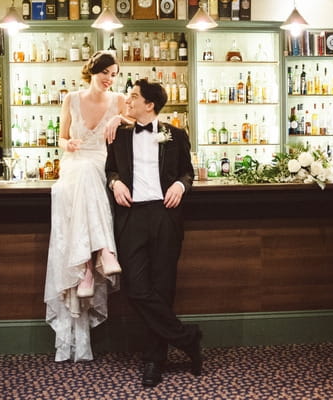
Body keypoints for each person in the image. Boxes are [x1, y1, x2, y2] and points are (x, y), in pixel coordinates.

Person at [105, 79, 202, 387]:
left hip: (165, 215)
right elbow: (110, 169)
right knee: (135, 287)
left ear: (150, 105)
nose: (127, 100)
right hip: (132, 216)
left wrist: (180, 185)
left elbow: (189, 172)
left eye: (133, 96)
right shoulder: (118, 136)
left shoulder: (176, 134)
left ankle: (154, 360)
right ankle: (187, 338)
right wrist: (115, 182)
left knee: (162, 288)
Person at [44, 51, 126, 362]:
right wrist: (69, 144)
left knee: (91, 175)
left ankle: (88, 270)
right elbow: (61, 138)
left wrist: (120, 117)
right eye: (106, 72)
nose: (110, 79)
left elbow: (140, 122)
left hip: (100, 163)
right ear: (92, 71)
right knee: (82, 174)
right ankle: (101, 253)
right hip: (75, 162)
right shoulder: (71, 99)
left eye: (114, 74)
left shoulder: (118, 100)